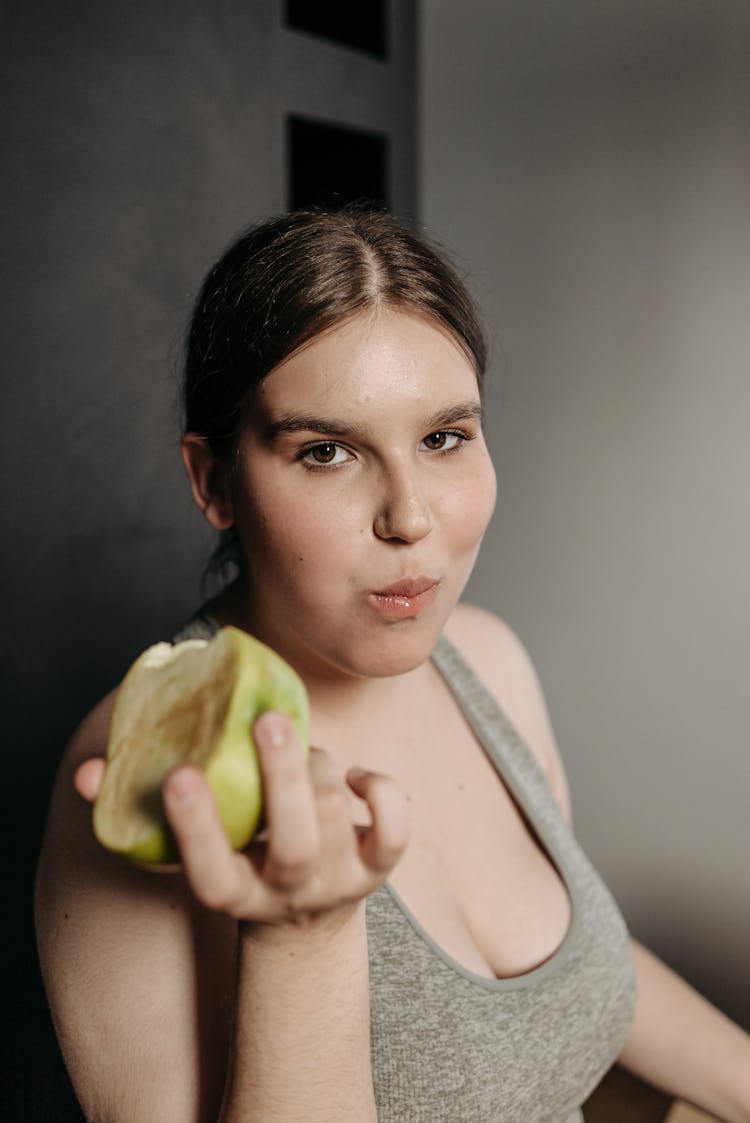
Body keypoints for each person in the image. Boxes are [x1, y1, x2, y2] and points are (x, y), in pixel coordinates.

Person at [35, 209, 750, 1123]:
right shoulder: (156, 760)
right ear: (213, 480)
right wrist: (302, 939)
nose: (409, 517)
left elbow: (567, 983)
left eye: (444, 437)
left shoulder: (487, 658)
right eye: (327, 452)